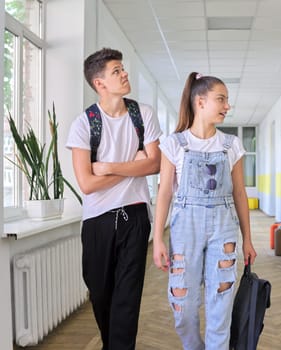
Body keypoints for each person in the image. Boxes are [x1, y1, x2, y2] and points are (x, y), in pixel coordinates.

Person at [152, 72, 257, 349]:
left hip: (224, 227)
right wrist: (157, 239)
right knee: (182, 307)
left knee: (219, 305)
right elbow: (164, 194)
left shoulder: (231, 145)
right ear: (200, 101)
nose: (227, 106)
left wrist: (247, 238)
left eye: (227, 100)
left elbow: (239, 194)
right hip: (185, 228)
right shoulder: (174, 144)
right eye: (221, 99)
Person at [66, 47, 162, 349]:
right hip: (97, 221)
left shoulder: (143, 114)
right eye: (116, 71)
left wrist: (108, 167)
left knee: (127, 297)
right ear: (100, 83)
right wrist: (134, 165)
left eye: (123, 69)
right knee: (100, 293)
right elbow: (87, 184)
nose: (124, 74)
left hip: (134, 217)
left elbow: (156, 164)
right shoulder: (84, 124)